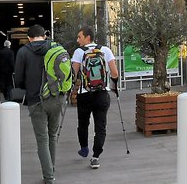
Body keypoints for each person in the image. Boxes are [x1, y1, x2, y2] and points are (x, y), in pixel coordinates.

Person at [14, 25, 63, 184]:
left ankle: (49, 177)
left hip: (35, 100)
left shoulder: (23, 51)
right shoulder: (54, 48)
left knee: (42, 140)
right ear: (44, 35)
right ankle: (51, 169)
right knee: (52, 136)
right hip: (55, 98)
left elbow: (19, 78)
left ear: (29, 38)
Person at [70, 26, 119, 169]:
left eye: (80, 37)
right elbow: (114, 73)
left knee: (83, 123)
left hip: (84, 94)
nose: (78, 40)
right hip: (102, 94)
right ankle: (96, 156)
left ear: (87, 37)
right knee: (100, 126)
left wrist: (71, 86)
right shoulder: (106, 50)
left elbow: (74, 74)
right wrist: (114, 85)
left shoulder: (79, 52)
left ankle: (84, 148)